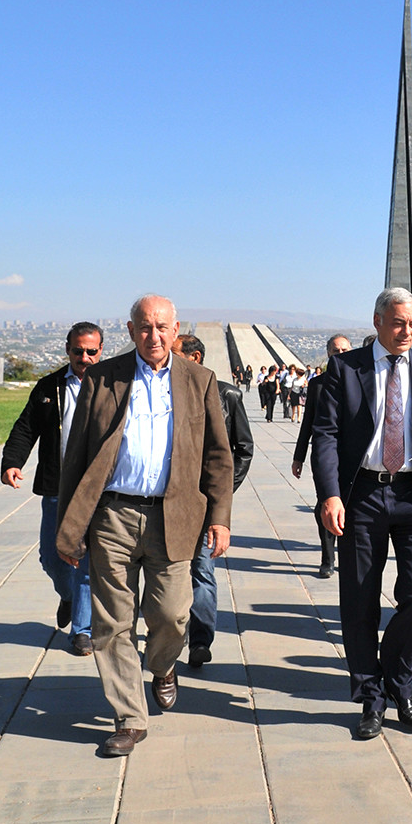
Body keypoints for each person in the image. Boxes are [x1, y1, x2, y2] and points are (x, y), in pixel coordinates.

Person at [55, 295, 235, 757]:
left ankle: (163, 664)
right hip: (112, 515)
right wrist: (69, 527)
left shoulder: (199, 379)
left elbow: (218, 456)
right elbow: (76, 458)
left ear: (175, 330)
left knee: (172, 614)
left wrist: (219, 518)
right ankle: (130, 718)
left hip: (174, 516)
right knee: (112, 622)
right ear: (131, 330)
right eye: (145, 327)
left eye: (162, 327)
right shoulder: (103, 377)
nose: (154, 336)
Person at [310, 288, 412, 740]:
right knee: (359, 601)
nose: (407, 332)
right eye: (398, 323)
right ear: (377, 321)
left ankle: (398, 678)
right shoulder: (346, 368)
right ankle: (371, 696)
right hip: (363, 496)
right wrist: (330, 495)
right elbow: (326, 434)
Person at [0, 321, 104, 656]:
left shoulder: (113, 385)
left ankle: (82, 630)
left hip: (98, 489)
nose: (84, 358)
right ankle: (69, 596)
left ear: (101, 351)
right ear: (67, 350)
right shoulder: (50, 386)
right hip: (58, 486)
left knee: (87, 561)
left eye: (91, 351)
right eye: (78, 351)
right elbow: (26, 427)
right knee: (51, 557)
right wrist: (12, 461)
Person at [174, 334, 255, 667]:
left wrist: (223, 492)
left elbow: (243, 449)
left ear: (194, 358)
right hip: (169, 499)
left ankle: (200, 641)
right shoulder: (163, 391)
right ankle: (168, 631)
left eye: (175, 352)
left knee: (202, 571)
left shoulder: (228, 395)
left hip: (206, 502)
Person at [293, 334, 353, 578]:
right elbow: (307, 421)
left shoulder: (361, 379)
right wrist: (299, 456)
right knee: (325, 504)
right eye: (336, 351)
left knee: (350, 506)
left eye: (344, 350)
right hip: (325, 456)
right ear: (329, 354)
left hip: (352, 456)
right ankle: (327, 558)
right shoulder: (318, 384)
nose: (340, 354)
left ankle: (348, 555)